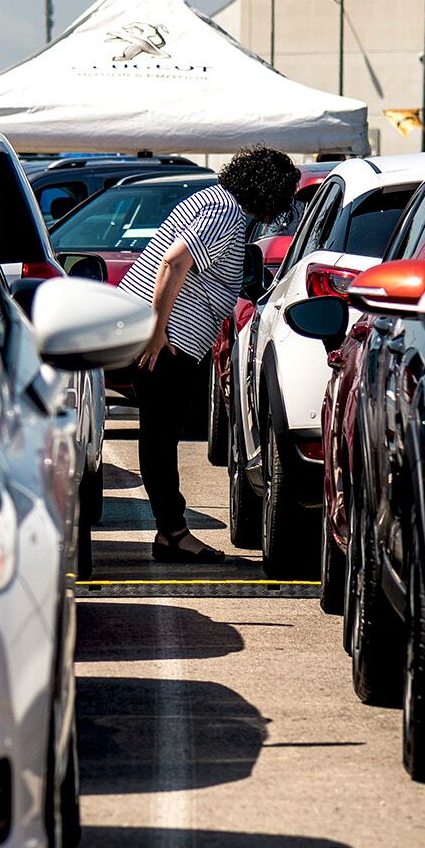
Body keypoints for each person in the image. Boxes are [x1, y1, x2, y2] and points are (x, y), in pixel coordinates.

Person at [119, 146, 300, 562]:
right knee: (160, 438)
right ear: (266, 189)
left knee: (159, 437)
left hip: (167, 339)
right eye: (284, 195)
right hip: (167, 342)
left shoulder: (216, 201)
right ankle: (173, 533)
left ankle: (171, 531)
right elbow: (173, 265)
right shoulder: (225, 212)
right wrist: (156, 332)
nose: (283, 206)